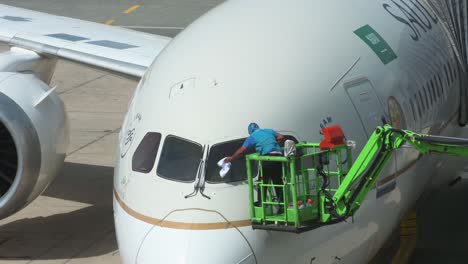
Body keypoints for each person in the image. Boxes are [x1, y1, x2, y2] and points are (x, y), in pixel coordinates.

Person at [226, 123, 285, 210]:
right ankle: (282, 206)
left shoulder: (252, 137)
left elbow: (241, 151)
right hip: (279, 157)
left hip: (268, 158)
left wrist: (231, 158)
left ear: (250, 132)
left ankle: (261, 203)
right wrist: (275, 145)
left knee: (262, 181)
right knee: (278, 181)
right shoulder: (268, 130)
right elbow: (281, 137)